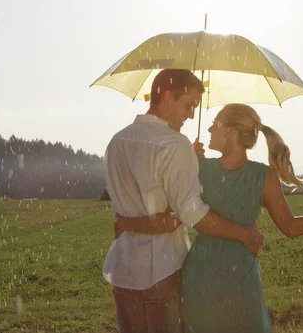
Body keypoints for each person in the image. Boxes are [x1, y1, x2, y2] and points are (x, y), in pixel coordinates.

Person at [116, 103, 303, 332]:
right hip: (230, 279)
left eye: (214, 124)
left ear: (230, 132)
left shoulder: (211, 169)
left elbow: (174, 208)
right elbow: (291, 227)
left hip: (207, 277)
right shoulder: (258, 175)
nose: (209, 130)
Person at [102, 70, 264, 333]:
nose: (190, 115)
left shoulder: (116, 141)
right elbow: (192, 213)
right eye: (189, 105)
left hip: (123, 273)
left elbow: (134, 195)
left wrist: (129, 222)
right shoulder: (175, 144)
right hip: (162, 272)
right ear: (167, 96)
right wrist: (244, 233)